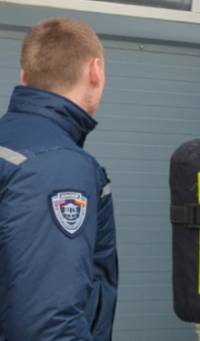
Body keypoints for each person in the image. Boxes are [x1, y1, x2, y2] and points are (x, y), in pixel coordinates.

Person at [0, 18, 117, 341]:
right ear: (95, 71)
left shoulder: (10, 145)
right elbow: (47, 326)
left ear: (25, 77)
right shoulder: (57, 166)